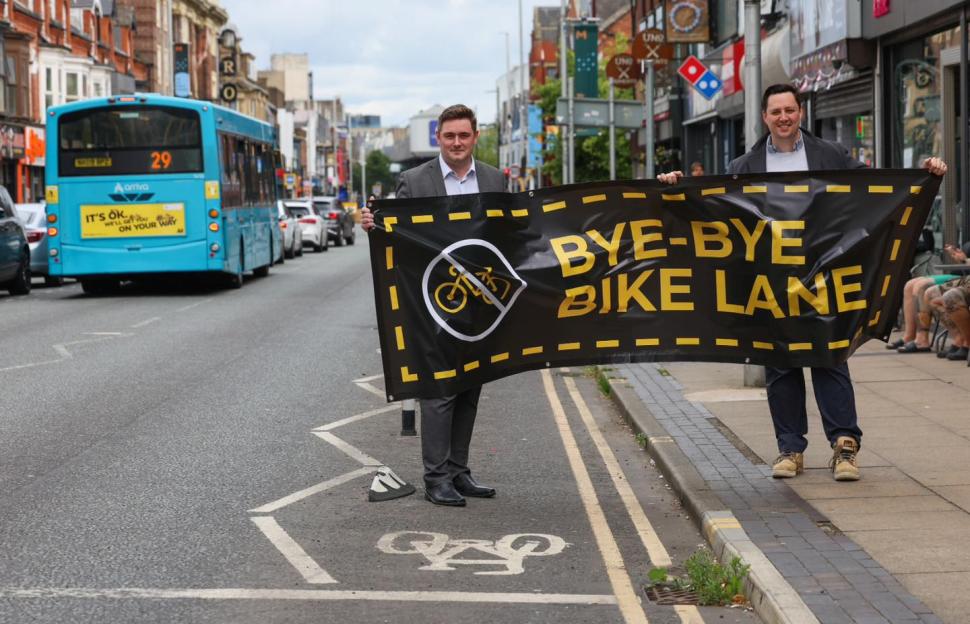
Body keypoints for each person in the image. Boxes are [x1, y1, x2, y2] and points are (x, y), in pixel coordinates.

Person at [658, 83, 948, 482]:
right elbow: (714, 206)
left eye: (790, 110)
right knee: (780, 364)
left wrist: (923, 176)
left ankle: (845, 446)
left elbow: (877, 187)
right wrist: (677, 189)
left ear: (800, 113)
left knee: (830, 357)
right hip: (770, 283)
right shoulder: (745, 165)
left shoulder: (830, 155)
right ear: (765, 117)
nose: (783, 118)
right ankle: (790, 449)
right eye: (775, 111)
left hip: (824, 277)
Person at [361, 104, 506, 506]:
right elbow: (397, 237)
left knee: (469, 388)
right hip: (431, 305)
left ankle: (459, 472)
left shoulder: (495, 178)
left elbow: (512, 236)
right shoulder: (413, 181)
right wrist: (375, 226)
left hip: (480, 305)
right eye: (449, 136)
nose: (456, 142)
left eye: (463, 135)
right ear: (438, 139)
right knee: (439, 389)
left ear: (475, 137)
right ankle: (436, 477)